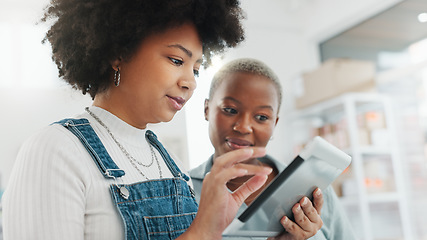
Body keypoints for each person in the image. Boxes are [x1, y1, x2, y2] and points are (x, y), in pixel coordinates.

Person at [1, 1, 274, 240]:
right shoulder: (55, 151)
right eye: (176, 60)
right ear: (118, 53)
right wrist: (200, 233)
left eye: (196, 69)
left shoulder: (172, 166)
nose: (189, 82)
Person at [189, 58, 358, 239]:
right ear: (207, 109)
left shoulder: (315, 192)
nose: (244, 127)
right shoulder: (180, 192)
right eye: (230, 110)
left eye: (261, 117)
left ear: (274, 124)